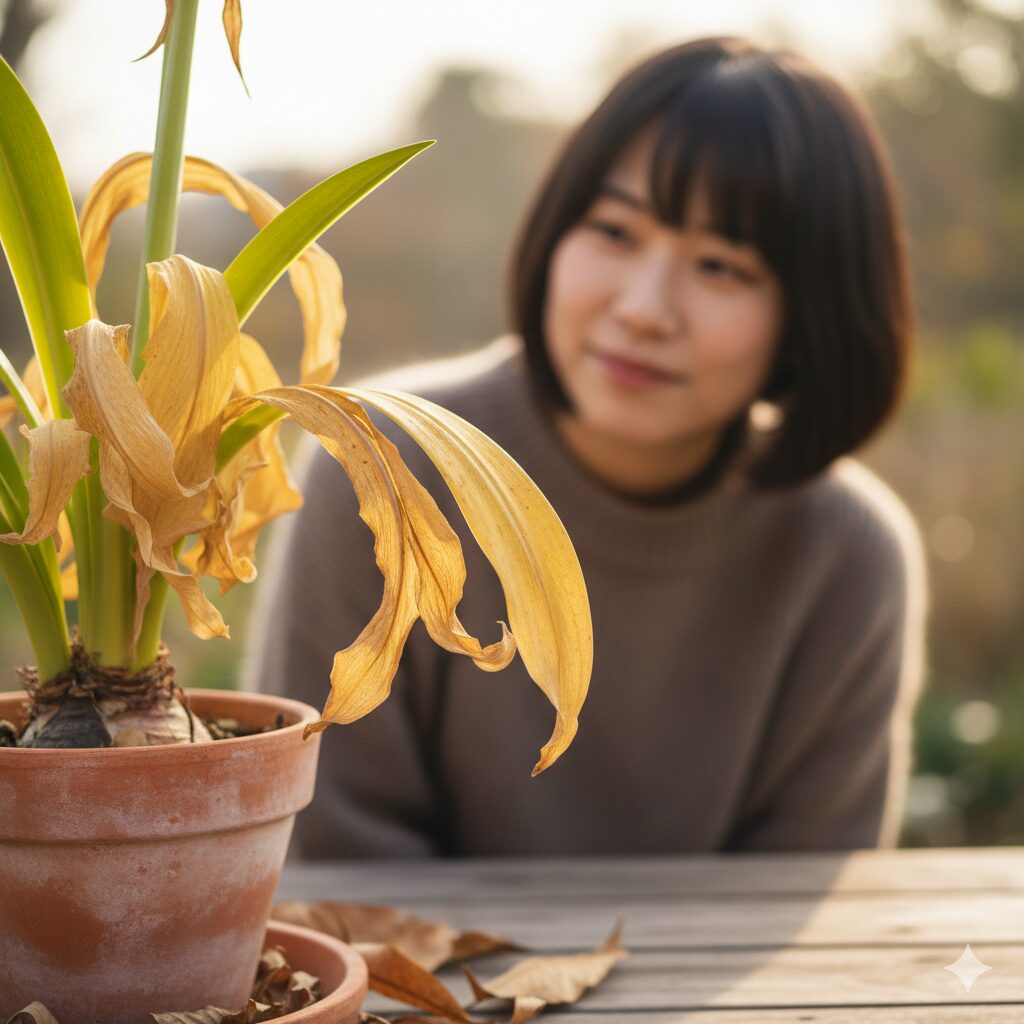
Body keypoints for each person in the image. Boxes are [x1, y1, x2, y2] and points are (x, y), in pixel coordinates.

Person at [250, 36, 927, 857]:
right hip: (415, 980)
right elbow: (332, 843)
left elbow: (805, 892)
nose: (645, 308)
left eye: (721, 266)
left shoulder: (847, 550)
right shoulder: (383, 465)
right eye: (614, 231)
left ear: (810, 316)